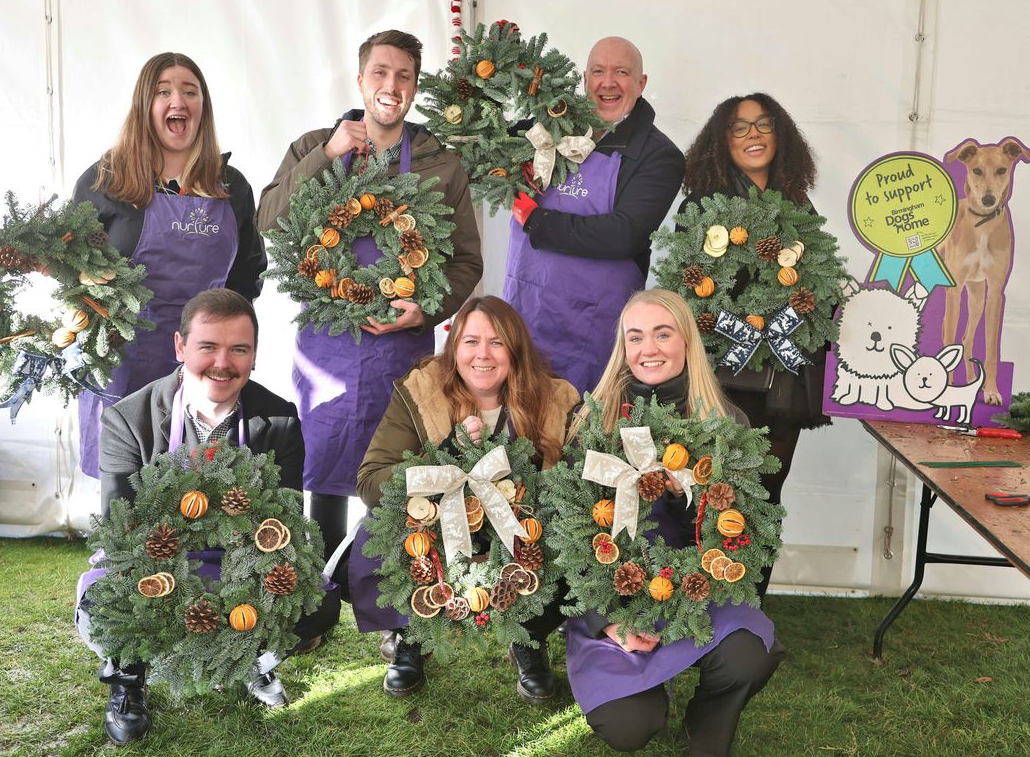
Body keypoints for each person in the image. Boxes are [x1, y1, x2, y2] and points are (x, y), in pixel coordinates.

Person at [256, 30, 482, 563]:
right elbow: (268, 218)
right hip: (327, 342)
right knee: (327, 467)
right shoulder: (314, 145)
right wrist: (328, 153)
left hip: (402, 346)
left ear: (415, 87)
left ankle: (394, 600)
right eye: (380, 72)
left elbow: (468, 260)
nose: (391, 85)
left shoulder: (440, 164)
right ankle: (323, 595)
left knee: (401, 467)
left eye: (404, 75)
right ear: (361, 80)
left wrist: (424, 310)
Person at [74, 289, 338, 744]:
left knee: (319, 602)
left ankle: (253, 662)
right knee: (100, 603)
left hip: (240, 563)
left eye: (239, 349)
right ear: (180, 347)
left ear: (254, 354)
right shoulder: (127, 419)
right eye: (208, 347)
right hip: (154, 565)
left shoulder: (279, 419)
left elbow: (285, 525)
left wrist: (246, 579)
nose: (223, 362)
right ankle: (129, 679)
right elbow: (121, 529)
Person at [300, 296, 577, 699]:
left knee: (566, 539)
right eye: (471, 341)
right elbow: (372, 482)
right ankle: (412, 635)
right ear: (454, 347)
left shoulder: (553, 400)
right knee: (381, 531)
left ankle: (530, 639)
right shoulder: (422, 392)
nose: (483, 354)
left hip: (516, 530)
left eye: (497, 342)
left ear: (516, 350)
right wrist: (442, 459)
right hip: (434, 528)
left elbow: (576, 488)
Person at [565, 288, 783, 757]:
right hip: (617, 598)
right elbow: (567, 537)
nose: (649, 349)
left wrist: (692, 496)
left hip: (702, 591)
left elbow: (751, 533)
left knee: (747, 654)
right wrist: (607, 620)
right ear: (623, 348)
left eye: (663, 334)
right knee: (627, 727)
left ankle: (707, 722)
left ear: (687, 342)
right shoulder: (591, 422)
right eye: (636, 337)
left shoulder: (728, 423)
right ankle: (643, 693)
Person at [74, 52, 267, 480]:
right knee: (126, 473)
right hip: (124, 352)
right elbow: (74, 267)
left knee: (200, 475)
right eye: (163, 91)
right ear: (146, 105)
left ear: (203, 107)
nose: (177, 101)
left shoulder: (231, 186)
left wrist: (227, 343)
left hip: (203, 358)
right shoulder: (106, 181)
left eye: (189, 91)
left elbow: (247, 273)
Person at [681, 93, 828, 597]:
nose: (753, 135)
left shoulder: (800, 203)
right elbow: (692, 287)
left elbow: (817, 281)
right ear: (722, 141)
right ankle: (708, 599)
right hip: (727, 372)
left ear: (780, 135)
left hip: (786, 375)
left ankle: (753, 606)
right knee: (720, 489)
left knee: (770, 488)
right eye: (740, 128)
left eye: (763, 125)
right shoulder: (701, 206)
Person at [504, 36, 684, 395]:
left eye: (622, 72)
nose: (608, 82)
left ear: (641, 83)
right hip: (524, 311)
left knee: (578, 436)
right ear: (585, 79)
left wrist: (536, 221)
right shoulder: (546, 131)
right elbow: (477, 147)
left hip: (591, 332)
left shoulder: (658, 155)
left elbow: (623, 235)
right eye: (599, 71)